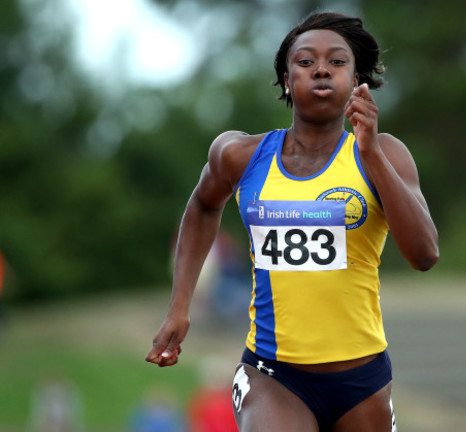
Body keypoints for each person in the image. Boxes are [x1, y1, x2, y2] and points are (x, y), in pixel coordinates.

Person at [146, 11, 439, 432]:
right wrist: (179, 307)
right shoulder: (239, 156)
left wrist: (370, 152)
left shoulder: (385, 155)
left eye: (337, 62)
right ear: (286, 80)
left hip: (361, 379)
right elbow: (203, 206)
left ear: (358, 81)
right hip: (273, 374)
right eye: (305, 62)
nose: (321, 68)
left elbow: (424, 254)